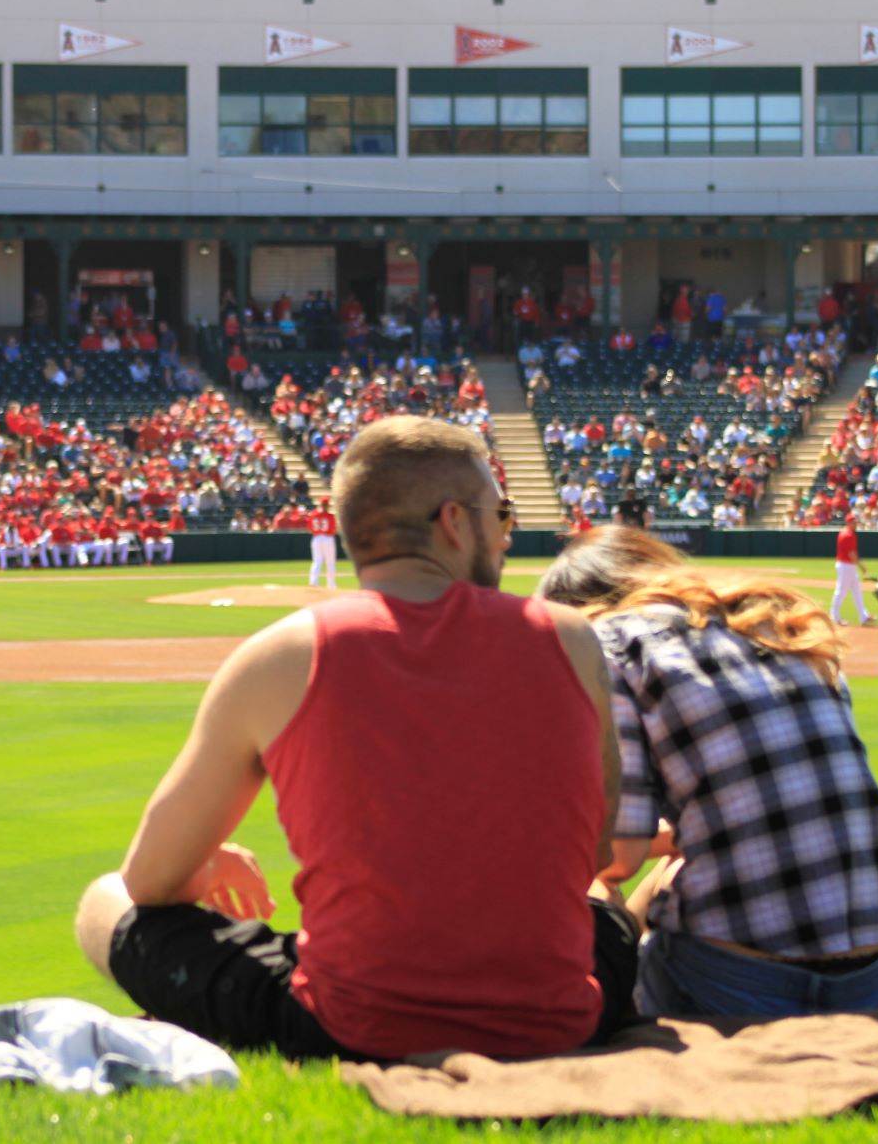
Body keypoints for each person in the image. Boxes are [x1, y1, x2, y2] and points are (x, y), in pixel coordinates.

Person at [74, 416, 638, 1062]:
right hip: (561, 1019)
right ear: (453, 521)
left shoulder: (279, 654)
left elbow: (148, 885)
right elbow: (593, 851)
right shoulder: (570, 638)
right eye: (500, 513)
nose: (506, 534)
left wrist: (206, 861)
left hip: (351, 1027)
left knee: (104, 900)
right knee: (608, 915)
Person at [537, 526, 878, 1017]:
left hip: (741, 986)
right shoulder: (776, 620)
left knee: (608, 902)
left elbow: (618, 856)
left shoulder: (609, 643)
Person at [830, 515, 874, 627]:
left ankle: (863, 616)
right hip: (846, 566)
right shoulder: (848, 535)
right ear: (848, 523)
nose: (855, 524)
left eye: (856, 522)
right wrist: (861, 566)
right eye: (853, 522)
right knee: (841, 591)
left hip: (847, 565)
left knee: (857, 591)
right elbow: (852, 554)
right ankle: (834, 617)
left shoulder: (845, 532)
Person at [306, 495, 339, 589]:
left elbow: (310, 528)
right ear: (327, 505)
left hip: (316, 538)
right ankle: (331, 584)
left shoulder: (313, 515)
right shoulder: (330, 516)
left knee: (317, 561)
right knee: (330, 562)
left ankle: (313, 582)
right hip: (328, 538)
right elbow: (333, 530)